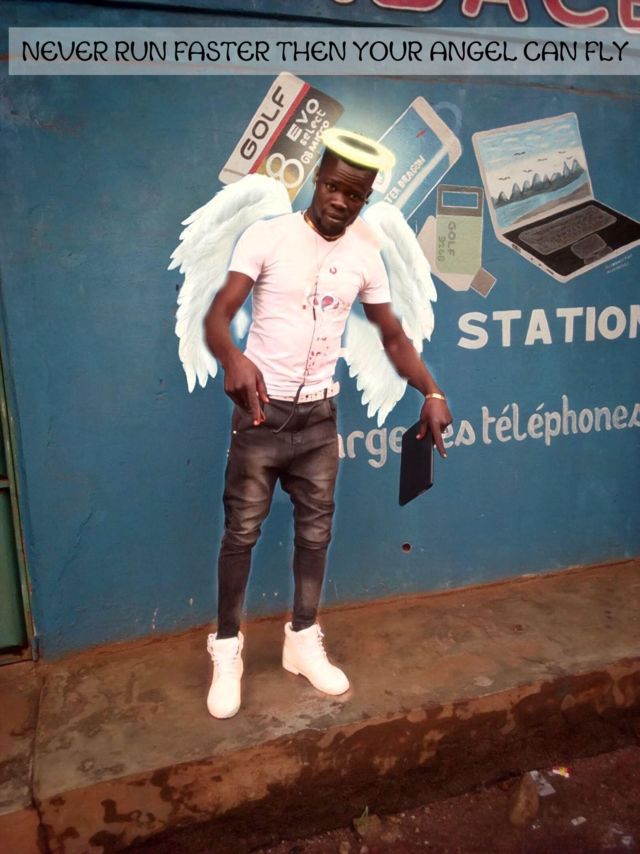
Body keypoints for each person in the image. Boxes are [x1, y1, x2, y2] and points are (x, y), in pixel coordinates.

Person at [204, 132, 453, 719]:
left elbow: (392, 336)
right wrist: (233, 358)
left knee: (316, 535)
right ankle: (227, 648)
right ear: (317, 179)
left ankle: (302, 639)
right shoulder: (268, 236)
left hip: (319, 420)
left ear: (366, 199)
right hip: (261, 415)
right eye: (334, 186)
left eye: (355, 194)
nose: (341, 200)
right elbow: (218, 315)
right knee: (241, 533)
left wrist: (432, 390)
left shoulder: (366, 255)